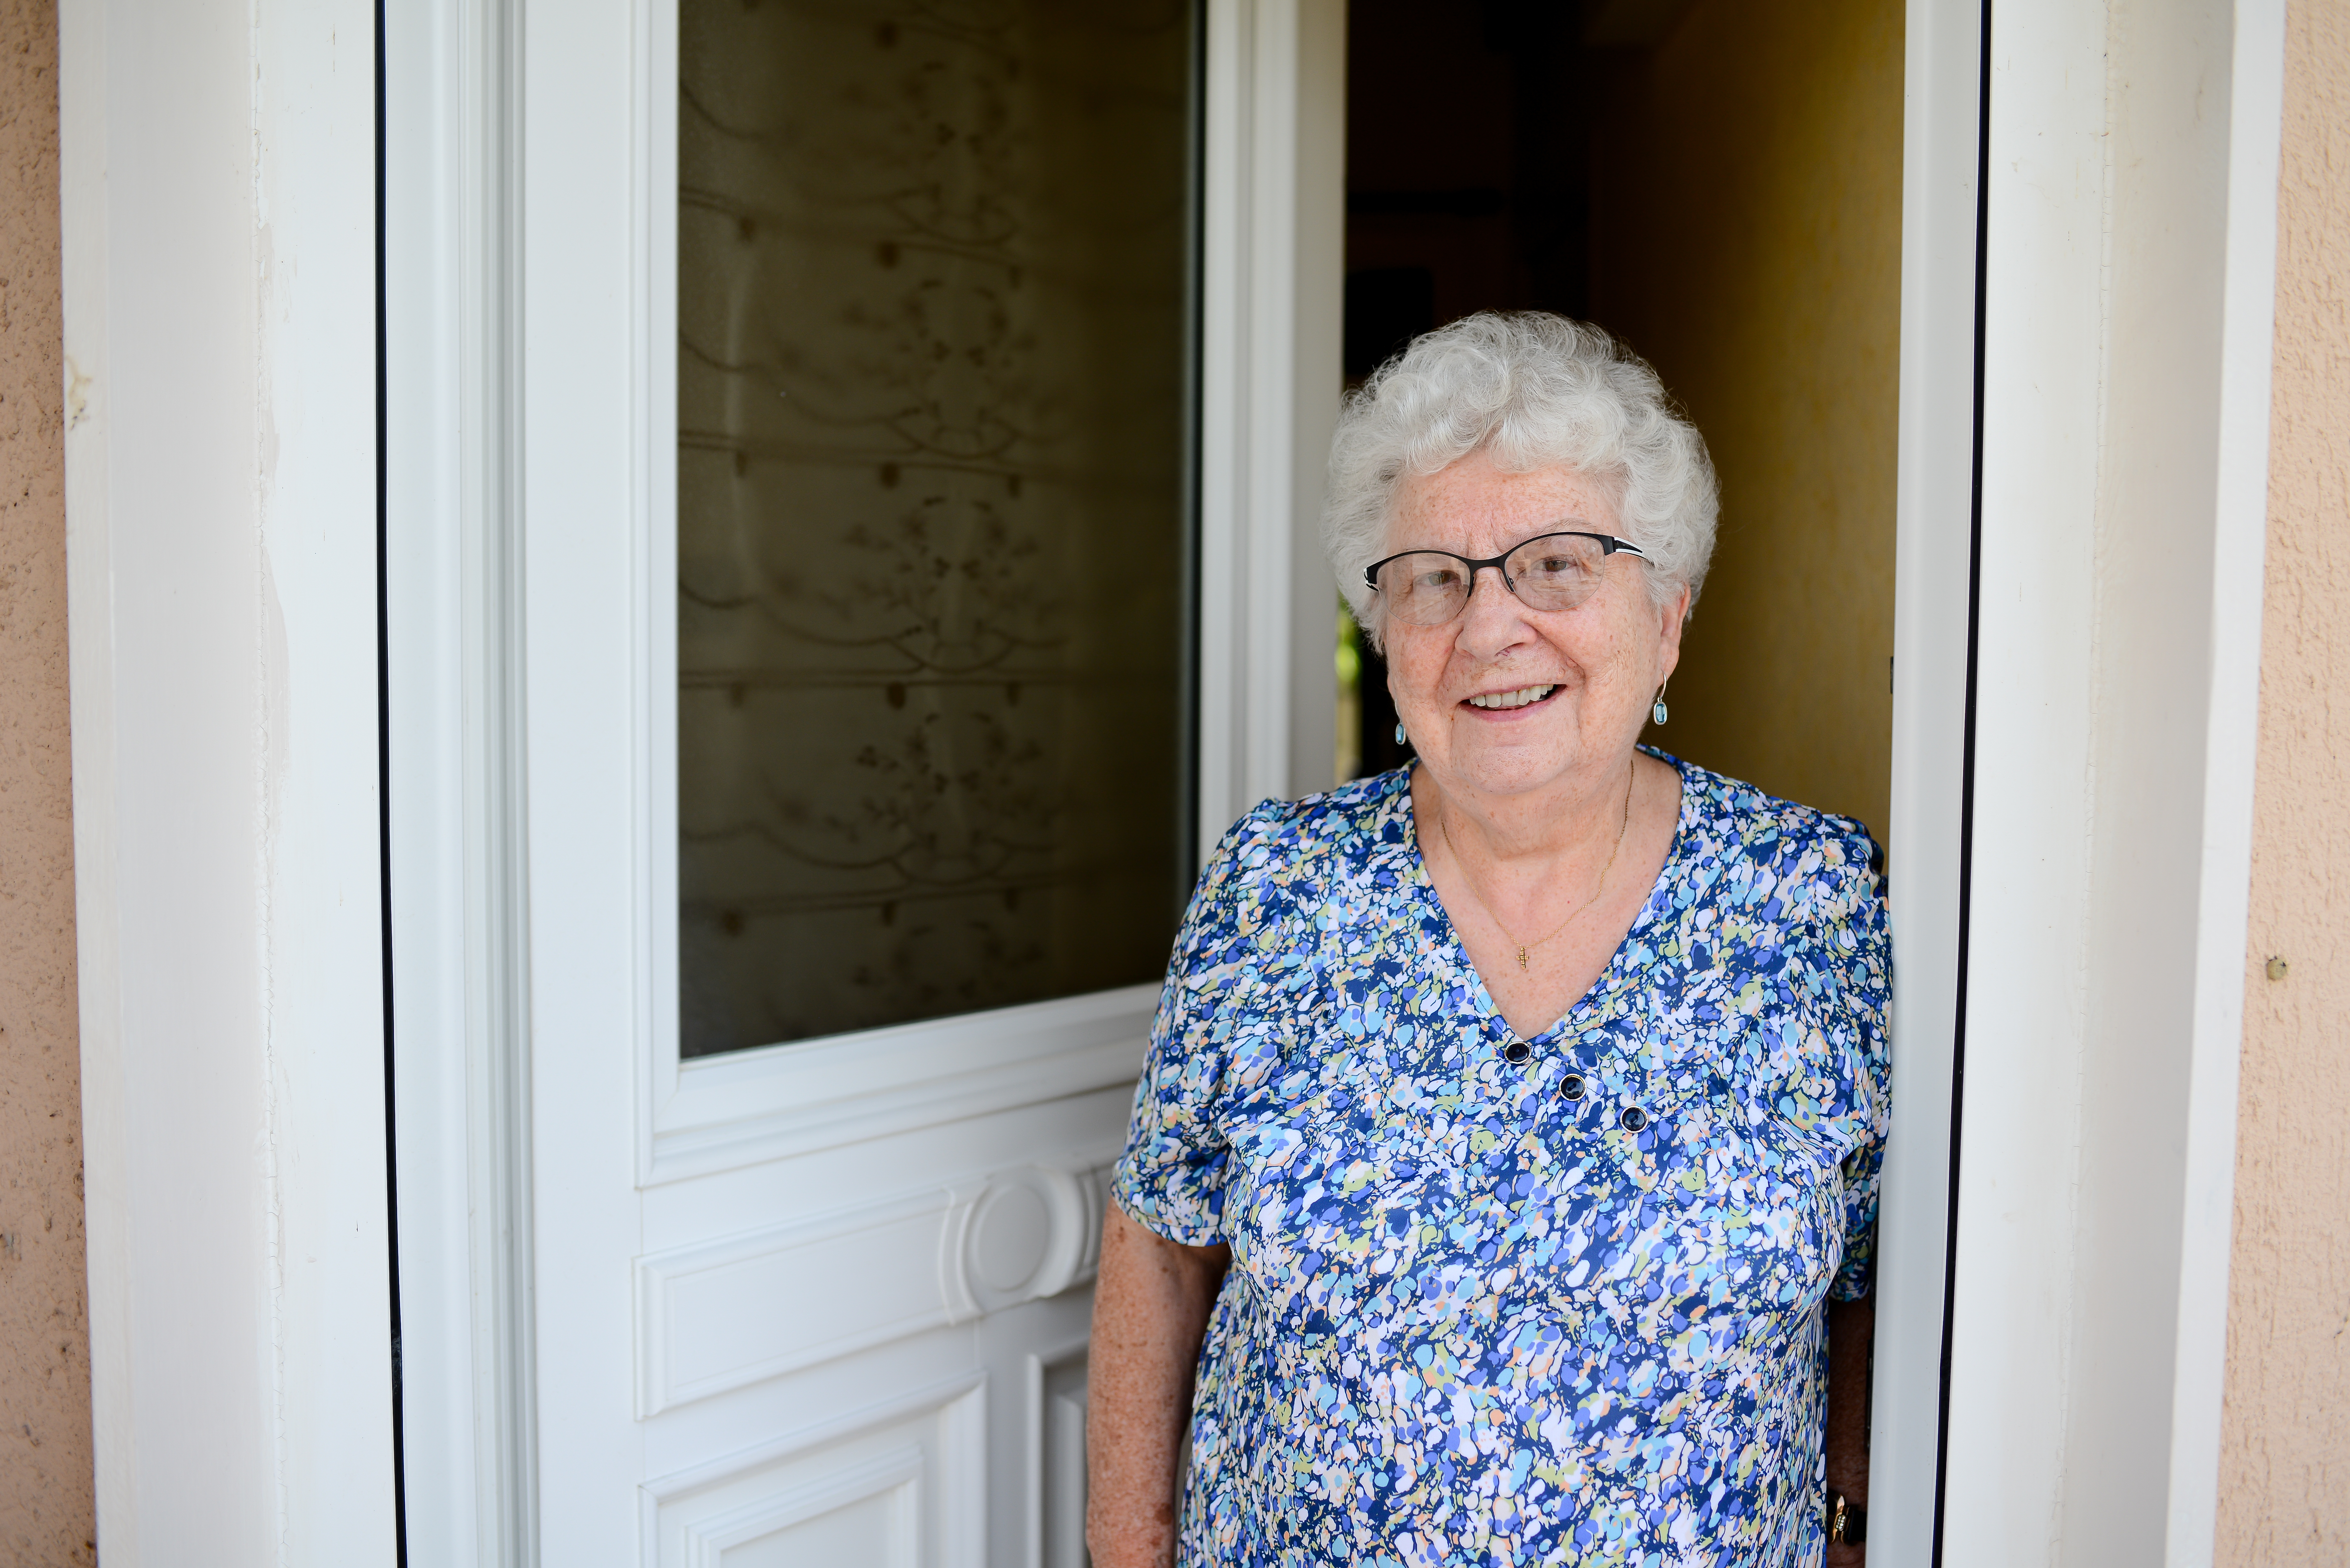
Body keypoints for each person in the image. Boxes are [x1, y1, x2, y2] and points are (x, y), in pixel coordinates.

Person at [1086, 313, 1888, 1567]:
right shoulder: (1273, 891)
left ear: (1667, 618)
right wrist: (1126, 1549)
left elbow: (1882, 1277)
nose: (1492, 626)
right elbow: (1162, 1247)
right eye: (1435, 578)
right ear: (1386, 637)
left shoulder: (1817, 901)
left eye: (1559, 565)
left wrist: (1848, 1523)